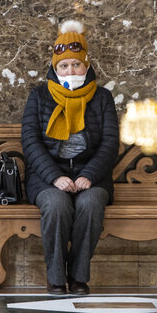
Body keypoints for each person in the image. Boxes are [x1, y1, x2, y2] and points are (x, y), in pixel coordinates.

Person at [21, 20, 119, 295]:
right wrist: (55, 177)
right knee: (55, 204)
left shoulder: (102, 98)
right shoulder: (39, 97)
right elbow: (30, 141)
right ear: (55, 68)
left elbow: (110, 143)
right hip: (47, 177)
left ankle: (78, 276)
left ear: (86, 67)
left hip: (91, 175)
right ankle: (55, 277)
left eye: (76, 64)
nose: (70, 70)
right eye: (63, 65)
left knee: (91, 203)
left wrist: (89, 175)